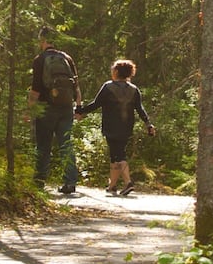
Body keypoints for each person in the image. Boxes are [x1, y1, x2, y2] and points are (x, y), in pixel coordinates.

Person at [75, 59, 155, 196]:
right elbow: (140, 109)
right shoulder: (134, 89)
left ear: (117, 71)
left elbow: (96, 104)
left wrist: (80, 111)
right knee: (115, 154)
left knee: (119, 154)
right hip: (126, 126)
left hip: (111, 125)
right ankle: (112, 185)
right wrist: (148, 124)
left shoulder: (108, 87)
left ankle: (128, 182)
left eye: (113, 69)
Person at [30, 27, 81, 194]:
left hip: (46, 107)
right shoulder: (67, 58)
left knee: (43, 145)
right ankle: (70, 182)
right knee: (66, 144)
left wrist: (29, 109)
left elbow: (36, 88)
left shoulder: (40, 60)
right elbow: (76, 86)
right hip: (66, 107)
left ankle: (39, 181)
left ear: (43, 40)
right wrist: (78, 107)